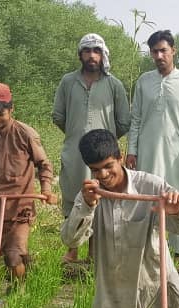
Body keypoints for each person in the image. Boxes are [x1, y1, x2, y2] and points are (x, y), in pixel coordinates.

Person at [62, 129, 179, 308]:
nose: (103, 175)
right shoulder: (89, 195)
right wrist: (86, 206)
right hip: (113, 288)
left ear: (121, 157)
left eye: (108, 166)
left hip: (156, 282)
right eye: (96, 169)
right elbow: (71, 240)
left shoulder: (151, 185)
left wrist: (177, 210)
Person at [0, 83, 58, 281]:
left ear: (12, 109)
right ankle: (23, 275)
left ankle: (19, 294)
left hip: (20, 207)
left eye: (1, 115)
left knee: (12, 256)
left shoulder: (25, 133)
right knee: (2, 256)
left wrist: (46, 189)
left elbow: (44, 164)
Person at [52, 33, 131, 263]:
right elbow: (58, 115)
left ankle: (94, 252)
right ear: (80, 55)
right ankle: (73, 249)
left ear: (102, 55)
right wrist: (76, 134)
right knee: (72, 195)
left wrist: (105, 143)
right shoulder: (68, 82)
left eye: (96, 51)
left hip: (103, 157)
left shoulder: (114, 85)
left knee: (102, 197)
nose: (91, 55)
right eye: (87, 51)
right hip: (75, 153)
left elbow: (124, 121)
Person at [126, 30, 179, 257]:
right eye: (154, 51)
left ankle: (178, 252)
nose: (159, 56)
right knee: (148, 197)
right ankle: (150, 247)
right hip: (147, 151)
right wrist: (132, 150)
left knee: (176, 197)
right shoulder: (144, 81)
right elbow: (136, 119)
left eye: (163, 50)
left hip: (177, 153)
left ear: (173, 51)